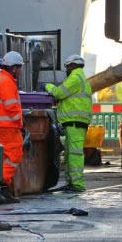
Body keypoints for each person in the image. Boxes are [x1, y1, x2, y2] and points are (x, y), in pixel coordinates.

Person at [45, 54, 92, 192]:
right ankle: (71, 183)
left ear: (71, 66)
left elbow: (59, 93)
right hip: (75, 122)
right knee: (70, 153)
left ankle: (77, 184)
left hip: (75, 122)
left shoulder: (75, 78)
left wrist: (48, 86)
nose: (67, 69)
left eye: (67, 67)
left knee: (75, 154)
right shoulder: (80, 78)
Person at [0, 51, 24, 202]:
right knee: (14, 155)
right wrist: (20, 123)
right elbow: (11, 108)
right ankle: (2, 185)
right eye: (20, 68)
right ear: (14, 68)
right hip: (8, 127)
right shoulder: (7, 82)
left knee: (1, 158)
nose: (20, 71)